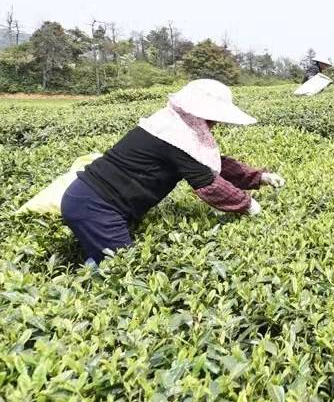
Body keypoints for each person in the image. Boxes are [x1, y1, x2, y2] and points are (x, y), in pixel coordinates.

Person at [60, 79, 285, 266]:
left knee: (107, 259)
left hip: (93, 202)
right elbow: (208, 183)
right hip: (97, 207)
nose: (216, 123)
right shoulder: (174, 136)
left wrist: (259, 177)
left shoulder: (172, 126)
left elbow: (211, 164)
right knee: (123, 268)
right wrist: (248, 206)